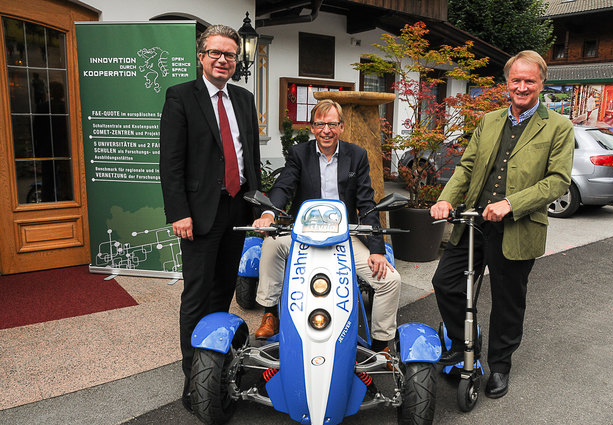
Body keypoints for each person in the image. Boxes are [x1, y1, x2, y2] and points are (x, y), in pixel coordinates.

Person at [430, 50, 574, 399]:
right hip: (475, 222)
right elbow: (466, 167)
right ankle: (467, 345)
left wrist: (512, 203)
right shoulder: (489, 120)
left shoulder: (558, 127)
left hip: (518, 226)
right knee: (445, 282)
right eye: (516, 80)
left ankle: (500, 366)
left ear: (541, 83)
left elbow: (558, 181)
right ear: (506, 83)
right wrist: (446, 198)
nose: (522, 86)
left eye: (529, 80)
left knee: (508, 301)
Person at [159, 24, 261, 413]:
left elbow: (248, 156)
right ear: (201, 56)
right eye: (216, 53)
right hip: (199, 215)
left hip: (237, 208)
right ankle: (194, 378)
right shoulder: (181, 97)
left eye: (230, 55)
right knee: (198, 295)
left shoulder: (244, 99)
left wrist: (261, 205)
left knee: (223, 291)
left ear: (237, 60)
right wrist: (179, 212)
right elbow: (170, 164)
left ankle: (219, 365)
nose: (223, 60)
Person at [251, 99, 401, 356]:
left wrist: (377, 249)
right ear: (312, 128)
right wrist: (269, 213)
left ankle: (380, 343)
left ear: (341, 127)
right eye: (320, 124)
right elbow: (284, 186)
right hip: (305, 233)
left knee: (390, 280)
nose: (326, 131)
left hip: (345, 236)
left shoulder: (357, 155)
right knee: (272, 244)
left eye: (332, 124)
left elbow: (366, 203)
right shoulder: (299, 154)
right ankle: (269, 313)